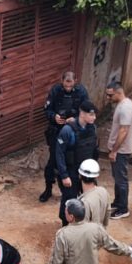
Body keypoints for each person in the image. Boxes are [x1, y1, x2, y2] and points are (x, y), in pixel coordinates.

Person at [41, 71, 90, 202]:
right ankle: (48, 189)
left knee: (74, 163)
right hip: (56, 131)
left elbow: (88, 111)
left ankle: (75, 191)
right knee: (52, 162)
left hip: (73, 133)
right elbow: (47, 109)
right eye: (66, 84)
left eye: (70, 84)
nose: (68, 87)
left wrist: (74, 119)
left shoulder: (81, 92)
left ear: (75, 81)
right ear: (62, 80)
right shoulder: (56, 91)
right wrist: (54, 117)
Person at [55, 101, 98, 225]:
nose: (94, 118)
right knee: (69, 200)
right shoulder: (68, 130)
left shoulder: (92, 128)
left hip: (87, 173)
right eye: (91, 115)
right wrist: (64, 175)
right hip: (72, 172)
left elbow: (94, 150)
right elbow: (59, 154)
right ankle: (65, 225)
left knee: (89, 199)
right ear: (82, 114)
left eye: (94, 115)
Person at [105, 82, 132, 219]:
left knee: (121, 179)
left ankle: (123, 208)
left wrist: (114, 150)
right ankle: (118, 202)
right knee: (117, 178)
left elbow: (124, 131)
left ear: (118, 92)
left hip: (121, 151)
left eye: (110, 95)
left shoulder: (125, 108)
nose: (108, 97)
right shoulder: (122, 105)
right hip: (119, 150)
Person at [77, 159, 111, 226]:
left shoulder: (83, 202)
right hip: (101, 232)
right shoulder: (103, 191)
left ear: (80, 175)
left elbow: (82, 227)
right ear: (96, 176)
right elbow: (108, 213)